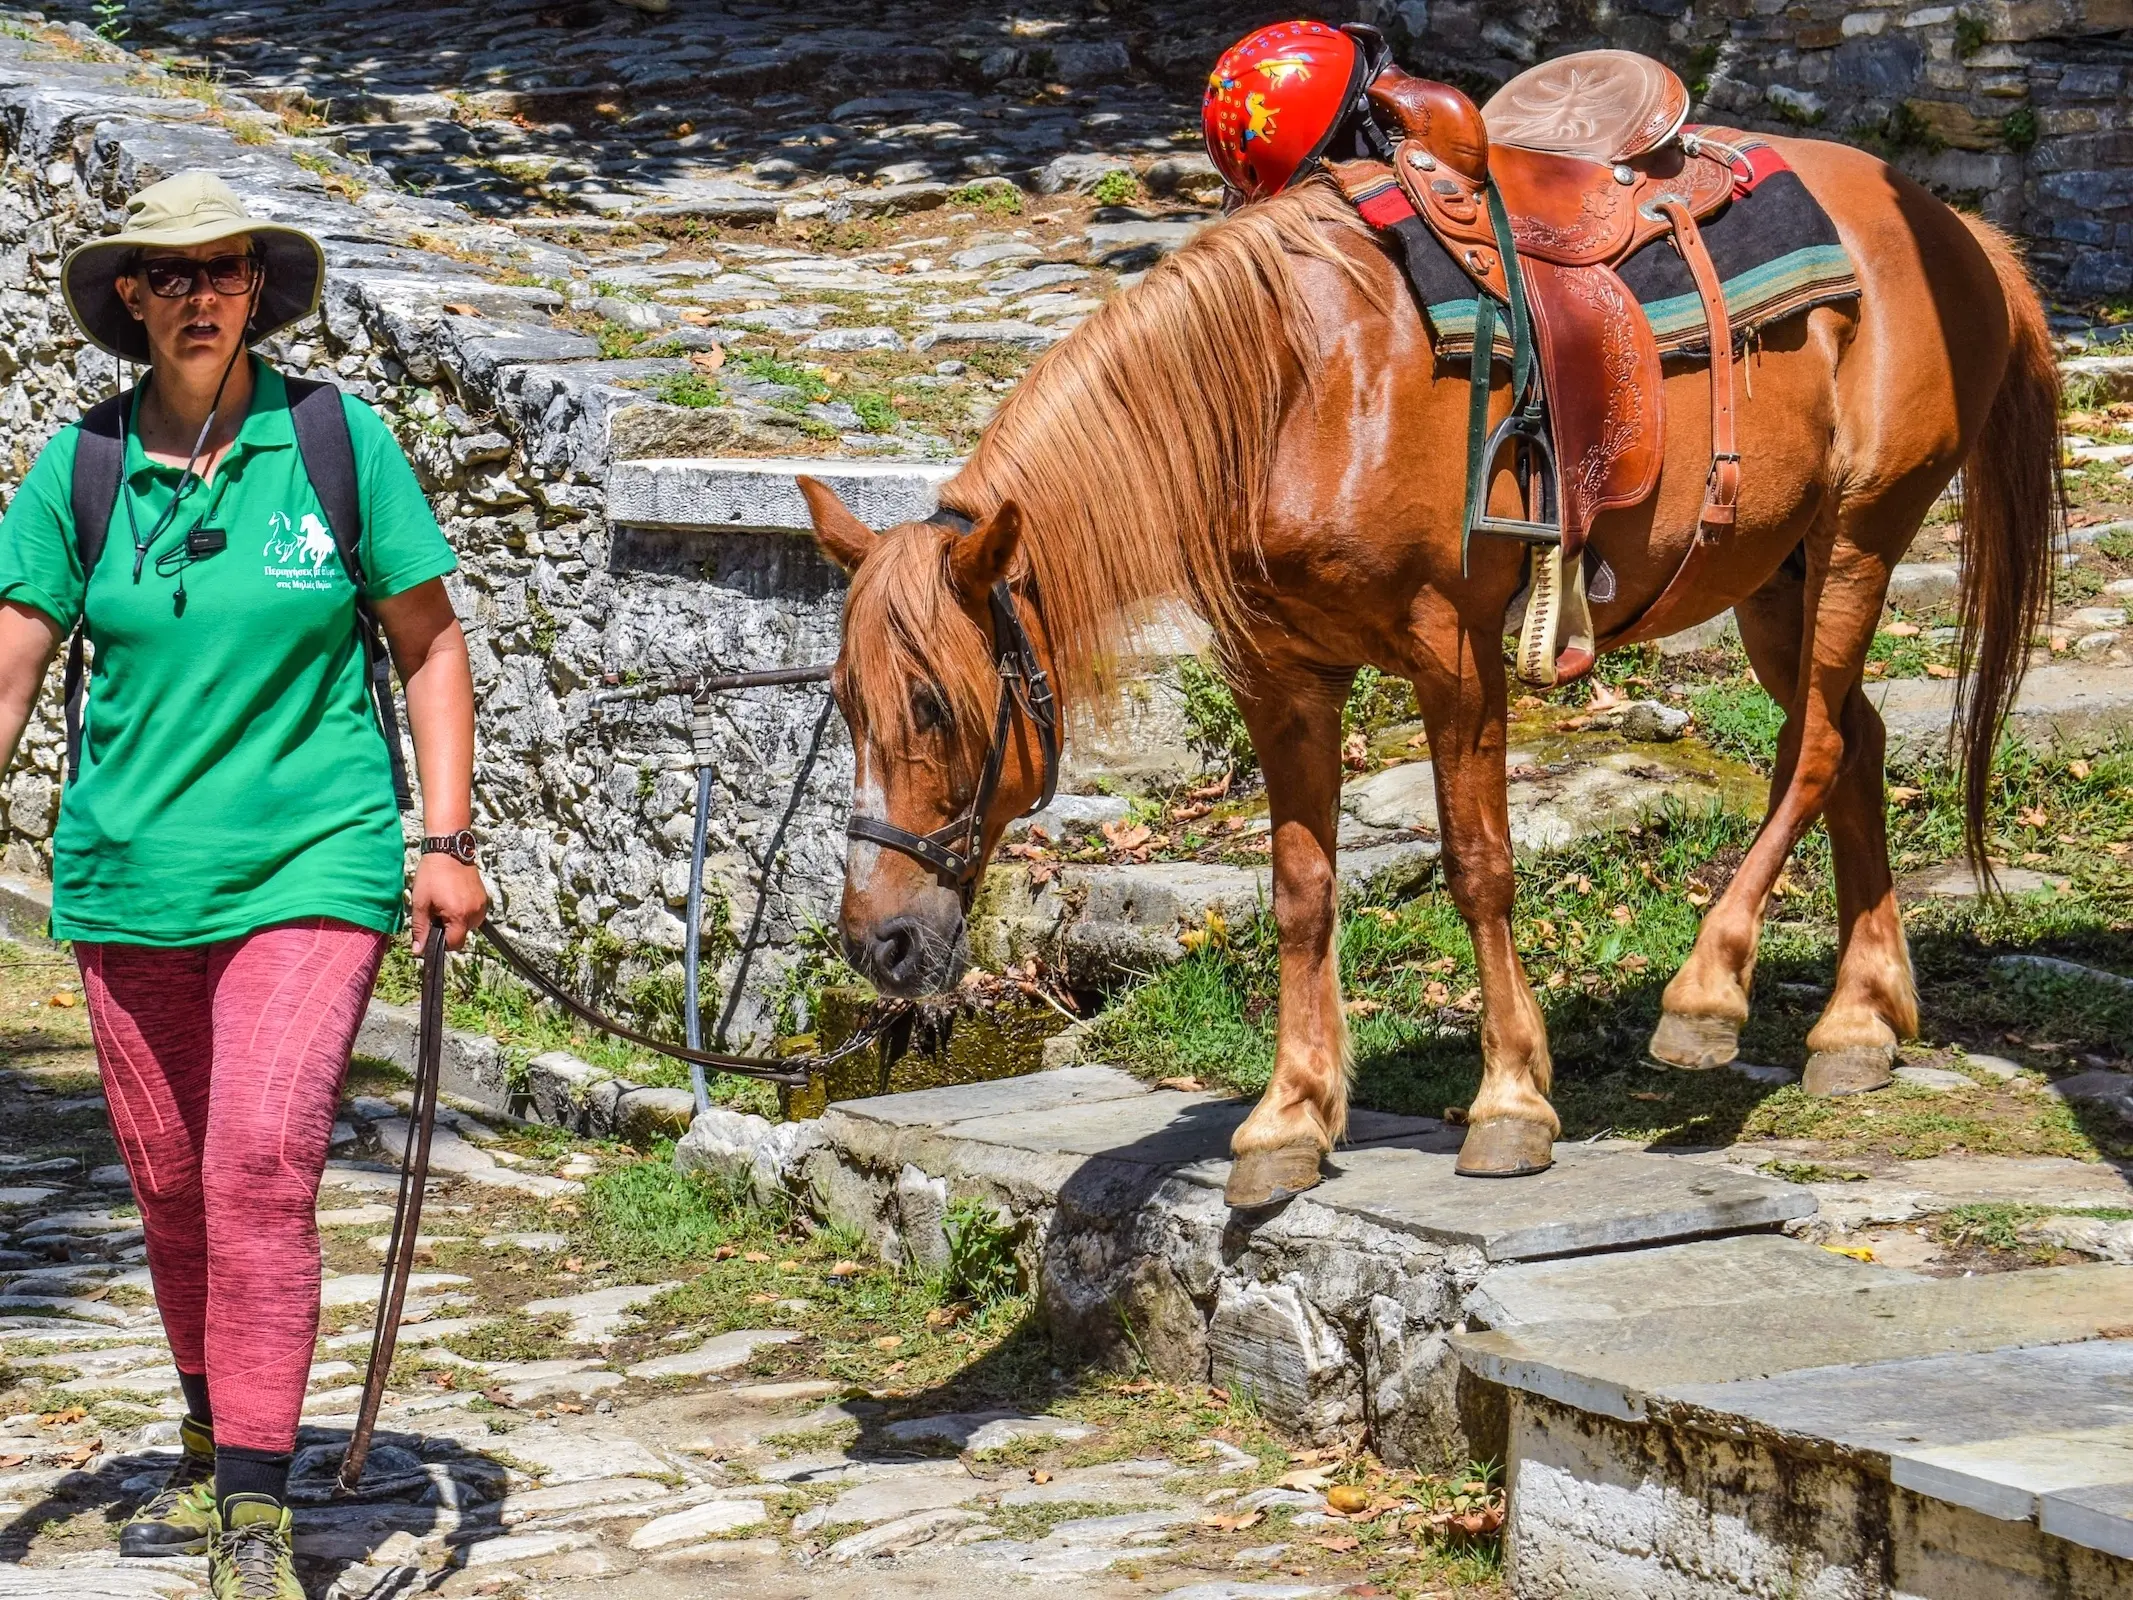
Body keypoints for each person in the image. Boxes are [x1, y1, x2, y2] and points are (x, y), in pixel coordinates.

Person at [0, 171, 488, 1599]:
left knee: (258, 1161)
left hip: (315, 856)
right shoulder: (78, 470)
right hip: (128, 873)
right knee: (168, 1185)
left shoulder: (333, 443)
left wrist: (441, 838)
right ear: (133, 300)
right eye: (173, 273)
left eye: (228, 270)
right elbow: (17, 657)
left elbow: (429, 645)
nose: (203, 293)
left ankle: (257, 1516)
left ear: (259, 291)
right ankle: (221, 1424)